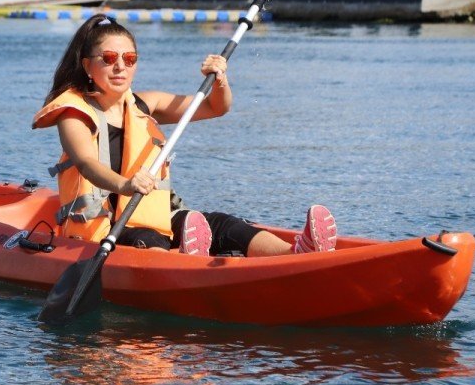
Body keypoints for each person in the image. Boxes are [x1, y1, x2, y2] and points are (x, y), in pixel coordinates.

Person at [32, 14, 337, 256]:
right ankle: (185, 265)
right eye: (109, 58)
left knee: (220, 224)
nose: (120, 67)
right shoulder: (74, 113)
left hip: (154, 215)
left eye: (130, 59)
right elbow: (86, 163)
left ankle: (296, 251)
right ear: (88, 65)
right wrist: (126, 184)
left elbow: (215, 108)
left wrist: (219, 81)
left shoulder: (146, 103)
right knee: (148, 238)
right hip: (103, 228)